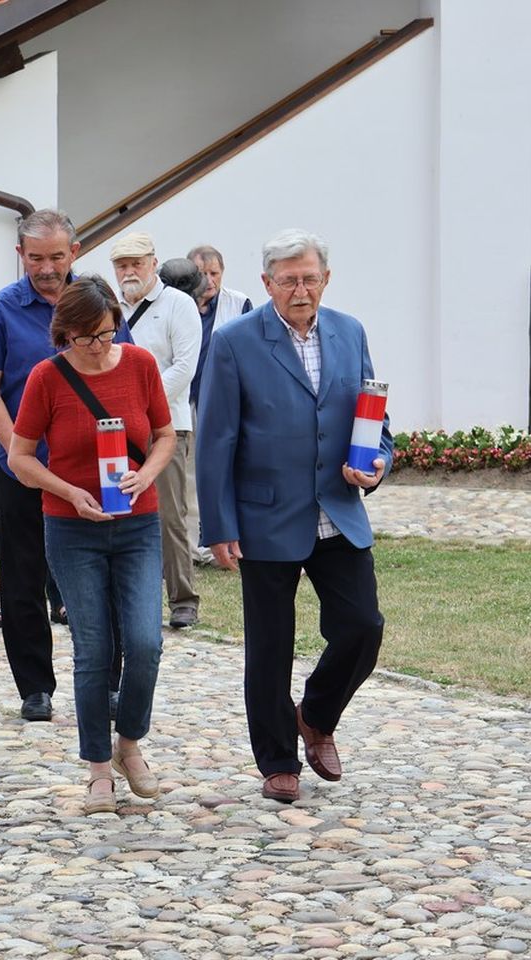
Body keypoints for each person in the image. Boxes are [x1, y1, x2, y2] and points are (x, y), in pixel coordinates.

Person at [196, 229, 392, 804]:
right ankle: (278, 761)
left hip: (337, 509)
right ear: (267, 284)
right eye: (288, 281)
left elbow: (374, 416)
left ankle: (317, 715)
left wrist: (378, 460)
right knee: (270, 647)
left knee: (363, 627)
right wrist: (219, 526)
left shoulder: (350, 331)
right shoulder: (233, 342)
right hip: (264, 516)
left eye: (309, 278)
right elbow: (214, 439)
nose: (300, 290)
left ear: (325, 279)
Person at [8, 276, 175, 814]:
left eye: (105, 334)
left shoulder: (140, 365)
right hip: (72, 528)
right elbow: (20, 457)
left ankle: (129, 744)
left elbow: (165, 436)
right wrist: (68, 491)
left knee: (145, 642)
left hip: (137, 524)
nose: (98, 347)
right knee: (94, 649)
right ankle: (98, 769)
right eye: (85, 338)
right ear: (65, 335)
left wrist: (146, 474)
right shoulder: (47, 377)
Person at [0, 209, 131, 723]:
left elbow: (124, 372)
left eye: (56, 257)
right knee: (22, 578)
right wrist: (16, 450)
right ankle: (35, 686)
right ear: (20, 254)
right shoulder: (0, 309)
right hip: (25, 470)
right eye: (35, 258)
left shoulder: (97, 301)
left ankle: (108, 683)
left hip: (90, 467)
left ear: (74, 252)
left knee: (101, 577)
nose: (46, 268)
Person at [110, 233, 201, 629]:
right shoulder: (108, 307)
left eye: (136, 263)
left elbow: (184, 367)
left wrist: (139, 403)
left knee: (168, 515)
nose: (129, 271)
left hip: (167, 426)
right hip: (114, 428)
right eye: (122, 265)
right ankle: (124, 599)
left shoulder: (178, 304)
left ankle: (183, 599)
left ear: (153, 262)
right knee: (117, 511)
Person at [187, 245, 251, 568]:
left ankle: (231, 539)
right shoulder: (178, 303)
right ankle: (196, 545)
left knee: (225, 468)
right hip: (187, 399)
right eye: (202, 274)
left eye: (215, 273)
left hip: (225, 400)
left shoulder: (239, 303)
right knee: (191, 474)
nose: (209, 280)